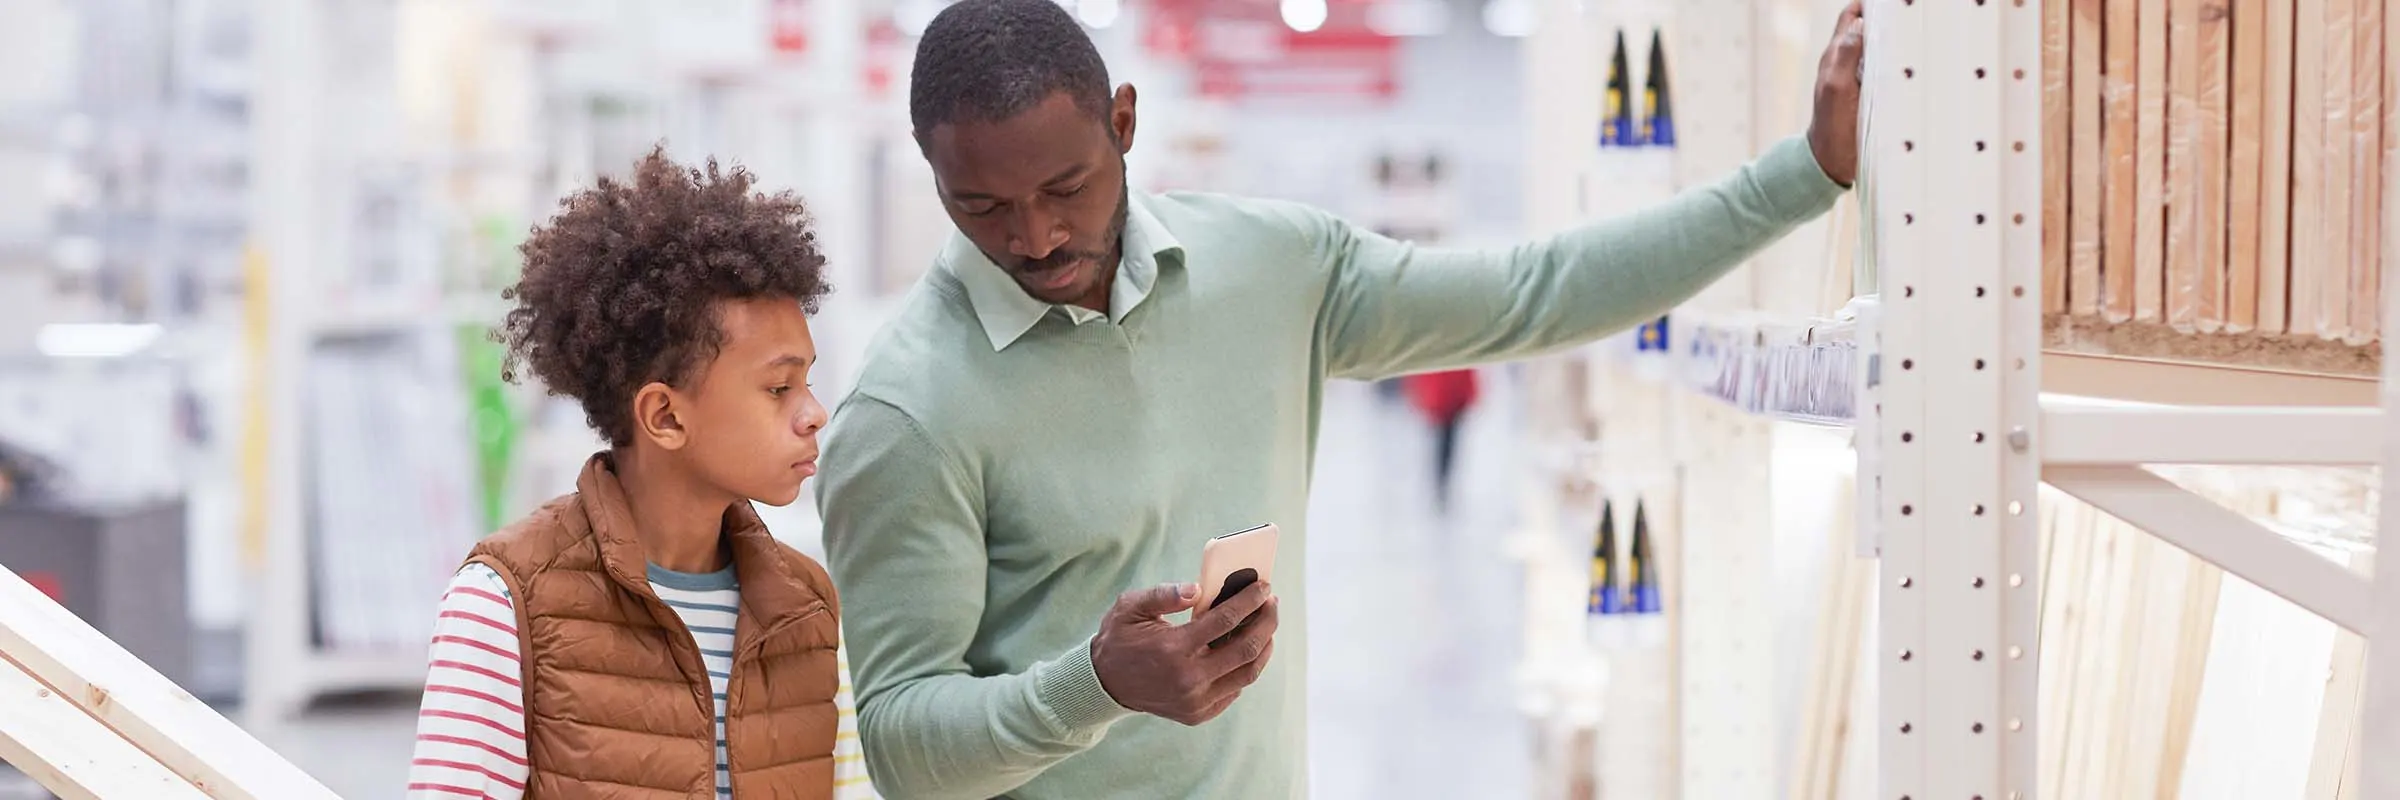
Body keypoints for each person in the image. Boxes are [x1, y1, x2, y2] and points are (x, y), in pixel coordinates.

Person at [814, 0, 1866, 796]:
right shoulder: (909, 410)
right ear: (931, 173)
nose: (1034, 236)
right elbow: (905, 742)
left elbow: (1533, 294)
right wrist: (1092, 681)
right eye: (983, 204)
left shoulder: (1269, 268)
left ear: (1124, 122)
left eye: (1065, 187)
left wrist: (1806, 171)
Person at [404, 149, 876, 799]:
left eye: (808, 381)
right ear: (664, 416)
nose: (814, 413)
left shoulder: (807, 608)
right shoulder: (505, 601)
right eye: (778, 387)